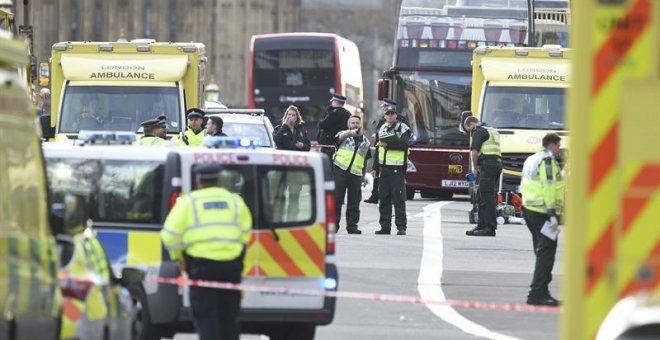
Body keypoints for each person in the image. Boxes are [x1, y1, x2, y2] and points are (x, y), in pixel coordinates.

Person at [161, 164, 253, 340]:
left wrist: (179, 259)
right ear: (219, 180)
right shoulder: (235, 201)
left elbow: (169, 236)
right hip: (231, 268)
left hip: (201, 268)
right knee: (229, 318)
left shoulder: (189, 202)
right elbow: (245, 233)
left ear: (198, 181)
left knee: (206, 318)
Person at [520, 133, 564, 306]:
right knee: (546, 252)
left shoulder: (531, 159)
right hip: (542, 211)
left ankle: (543, 291)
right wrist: (553, 213)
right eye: (558, 146)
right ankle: (536, 293)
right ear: (552, 145)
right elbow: (548, 187)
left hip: (529, 209)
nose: (559, 150)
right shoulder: (547, 161)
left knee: (542, 251)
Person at [373, 107, 412, 235]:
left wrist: (388, 145)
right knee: (383, 198)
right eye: (387, 114)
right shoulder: (382, 128)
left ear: (396, 115)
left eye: (392, 114)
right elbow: (378, 149)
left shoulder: (403, 128)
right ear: (384, 116)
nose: (390, 116)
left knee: (398, 199)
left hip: (397, 168)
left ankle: (401, 227)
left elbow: (404, 145)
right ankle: (385, 226)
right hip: (384, 168)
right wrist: (375, 167)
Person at [463, 115, 502, 237]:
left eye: (468, 130)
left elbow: (474, 151)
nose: (470, 133)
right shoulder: (492, 130)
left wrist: (474, 169)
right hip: (496, 164)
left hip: (487, 166)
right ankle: (481, 224)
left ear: (471, 125)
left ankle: (489, 227)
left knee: (486, 197)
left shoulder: (478, 131)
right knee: (482, 195)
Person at [333, 115, 371, 234]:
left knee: (354, 201)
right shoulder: (344, 135)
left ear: (360, 125)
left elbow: (365, 159)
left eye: (357, 123)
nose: (355, 125)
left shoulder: (366, 141)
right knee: (337, 199)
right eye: (352, 123)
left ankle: (352, 226)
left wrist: (364, 175)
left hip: (356, 173)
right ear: (348, 125)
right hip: (341, 170)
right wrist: (350, 133)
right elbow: (338, 138)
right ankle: (334, 225)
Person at [273, 105, 310, 220]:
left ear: (297, 118)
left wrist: (303, 146)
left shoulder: (301, 130)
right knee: (280, 195)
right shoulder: (280, 128)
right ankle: (278, 218)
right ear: (285, 116)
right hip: (282, 167)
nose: (291, 117)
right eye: (289, 115)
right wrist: (285, 126)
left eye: (293, 115)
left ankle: (292, 218)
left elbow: (308, 146)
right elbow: (276, 140)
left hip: (296, 168)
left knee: (294, 196)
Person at [364, 98, 398, 204]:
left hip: (391, 154)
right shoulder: (382, 120)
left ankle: (391, 197)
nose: (384, 110)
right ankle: (375, 195)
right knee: (376, 172)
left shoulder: (398, 121)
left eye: (385, 107)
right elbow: (376, 132)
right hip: (380, 150)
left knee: (391, 178)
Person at [317, 93, 351, 159]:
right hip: (342, 146)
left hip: (329, 146)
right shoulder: (348, 113)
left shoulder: (334, 113)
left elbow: (322, 125)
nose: (331, 102)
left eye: (333, 101)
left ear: (336, 101)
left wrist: (327, 113)